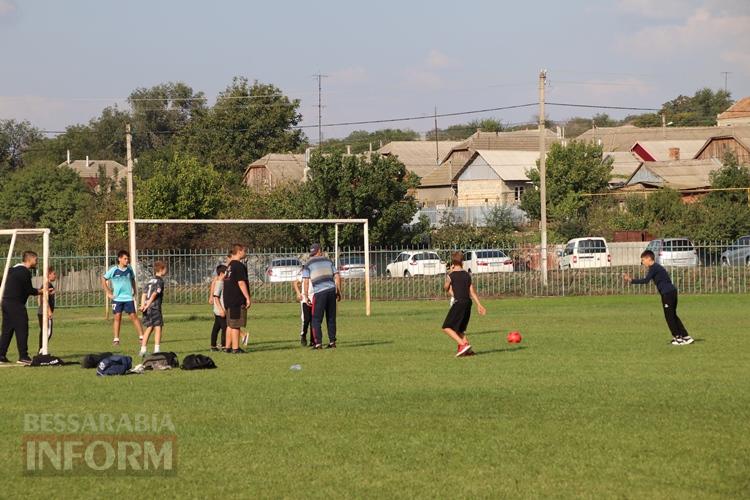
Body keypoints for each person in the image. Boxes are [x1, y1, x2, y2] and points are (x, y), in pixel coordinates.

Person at [624, 250, 694, 346]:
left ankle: (678, 338)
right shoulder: (657, 267)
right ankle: (686, 336)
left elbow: (646, 280)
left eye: (643, 260)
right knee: (673, 315)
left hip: (667, 294)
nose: (642, 263)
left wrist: (631, 280)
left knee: (669, 317)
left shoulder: (653, 268)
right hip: (672, 292)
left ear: (649, 258)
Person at [0, 251, 43, 365]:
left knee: (7, 330)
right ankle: (23, 356)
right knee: (22, 328)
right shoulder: (24, 272)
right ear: (30, 259)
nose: (37, 261)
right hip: (15, 304)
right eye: (36, 259)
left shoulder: (12, 269)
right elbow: (28, 290)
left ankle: (1, 355)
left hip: (6, 302)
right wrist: (41, 291)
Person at [442, 251, 487, 357]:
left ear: (452, 262)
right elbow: (472, 292)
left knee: (446, 327)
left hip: (459, 303)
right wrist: (479, 305)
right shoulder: (467, 275)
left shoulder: (451, 275)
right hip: (468, 303)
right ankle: (468, 350)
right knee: (460, 329)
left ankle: (462, 345)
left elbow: (445, 287)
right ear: (462, 262)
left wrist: (450, 278)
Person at [302, 243, 341, 350]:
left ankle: (318, 343)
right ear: (320, 251)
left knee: (316, 319)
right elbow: (337, 276)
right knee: (331, 318)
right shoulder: (328, 261)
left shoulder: (308, 264)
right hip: (331, 290)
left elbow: (305, 281)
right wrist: (338, 291)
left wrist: (306, 295)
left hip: (320, 292)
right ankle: (332, 342)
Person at [102, 250, 145, 346]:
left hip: (128, 298)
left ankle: (142, 337)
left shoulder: (129, 269)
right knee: (117, 317)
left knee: (134, 316)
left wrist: (134, 290)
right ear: (119, 259)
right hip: (117, 299)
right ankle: (116, 339)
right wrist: (108, 293)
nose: (127, 260)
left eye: (128, 258)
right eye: (125, 258)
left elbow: (133, 279)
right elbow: (103, 279)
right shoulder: (114, 270)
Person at [223, 244, 251, 354]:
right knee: (236, 325)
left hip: (228, 299)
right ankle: (236, 348)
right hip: (236, 299)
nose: (246, 253)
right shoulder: (238, 266)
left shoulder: (229, 266)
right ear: (239, 251)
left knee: (230, 324)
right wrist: (247, 297)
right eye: (244, 251)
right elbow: (241, 282)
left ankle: (228, 347)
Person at [139, 261, 167, 356]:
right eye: (165, 269)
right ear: (161, 270)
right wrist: (148, 305)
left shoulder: (150, 281)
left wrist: (143, 305)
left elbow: (144, 294)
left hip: (147, 308)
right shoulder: (160, 281)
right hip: (154, 307)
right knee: (158, 327)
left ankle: (143, 349)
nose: (166, 270)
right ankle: (157, 350)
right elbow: (155, 294)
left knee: (149, 327)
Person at [293, 266, 314, 346]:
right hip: (305, 299)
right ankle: (303, 334)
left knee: (314, 320)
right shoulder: (304, 274)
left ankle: (313, 340)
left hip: (315, 298)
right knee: (306, 319)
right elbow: (295, 283)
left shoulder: (316, 274)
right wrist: (298, 293)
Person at [37, 267, 57, 354]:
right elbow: (45, 298)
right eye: (54, 274)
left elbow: (39, 297)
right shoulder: (47, 285)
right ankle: (42, 351)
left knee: (44, 332)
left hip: (41, 312)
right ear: (49, 275)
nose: (55, 276)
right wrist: (48, 311)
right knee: (48, 332)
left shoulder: (46, 285)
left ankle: (41, 350)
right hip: (44, 312)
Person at [210, 264, 228, 351]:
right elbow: (216, 296)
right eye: (226, 273)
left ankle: (213, 346)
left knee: (216, 327)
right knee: (225, 328)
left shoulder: (223, 282)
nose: (228, 274)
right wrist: (221, 310)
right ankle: (224, 345)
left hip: (219, 309)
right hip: (220, 310)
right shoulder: (219, 283)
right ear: (221, 274)